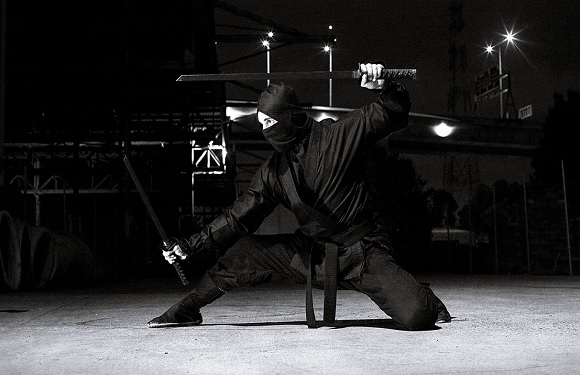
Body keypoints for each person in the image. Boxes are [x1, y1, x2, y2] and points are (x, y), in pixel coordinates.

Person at [148, 62, 451, 330]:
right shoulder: (273, 172)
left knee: (417, 316)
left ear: (290, 117)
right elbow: (238, 217)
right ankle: (188, 309)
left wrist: (384, 84)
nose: (266, 131)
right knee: (242, 254)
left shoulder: (339, 135)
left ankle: (417, 292)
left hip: (363, 253)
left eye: (270, 122)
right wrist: (189, 246)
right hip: (314, 256)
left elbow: (390, 113)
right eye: (261, 124)